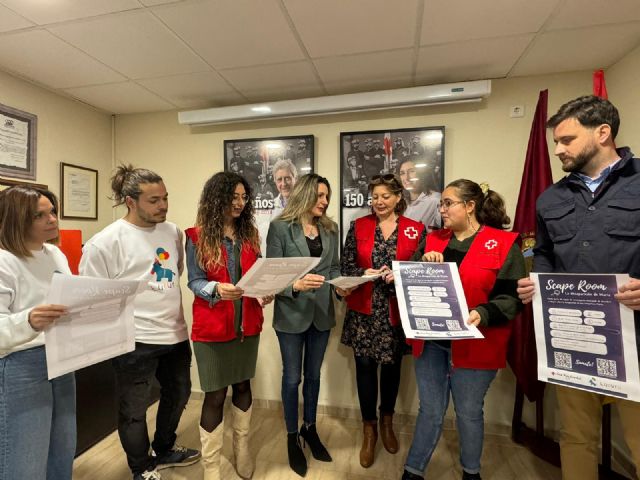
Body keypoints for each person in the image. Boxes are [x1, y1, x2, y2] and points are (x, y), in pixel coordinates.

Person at [517, 95, 640, 480]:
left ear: (603, 133)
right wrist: (538, 285)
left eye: (567, 140)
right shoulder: (551, 197)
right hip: (576, 340)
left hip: (637, 342)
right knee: (576, 438)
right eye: (555, 141)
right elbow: (546, 253)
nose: (558, 150)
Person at [79, 165, 200, 480]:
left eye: (165, 198)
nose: (163, 206)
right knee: (133, 410)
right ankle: (141, 468)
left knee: (180, 393)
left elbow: (176, 275)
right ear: (130, 201)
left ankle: (164, 449)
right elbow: (91, 298)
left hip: (174, 333)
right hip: (134, 340)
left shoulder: (173, 232)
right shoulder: (104, 243)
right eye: (154, 200)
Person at [401, 179, 525, 480]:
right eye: (441, 203)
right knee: (430, 409)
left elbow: (513, 299)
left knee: (469, 412)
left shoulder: (504, 244)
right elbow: (410, 282)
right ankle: (413, 471)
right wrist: (424, 264)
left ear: (470, 206)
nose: (441, 209)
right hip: (432, 344)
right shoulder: (432, 241)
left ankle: (471, 472)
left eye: (448, 203)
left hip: (476, 345)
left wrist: (483, 313)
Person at [185, 172, 273, 480]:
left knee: (243, 385)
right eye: (233, 197)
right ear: (216, 198)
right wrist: (215, 289)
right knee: (214, 394)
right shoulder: (195, 236)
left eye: (243, 197)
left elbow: (258, 274)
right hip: (212, 328)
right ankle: (211, 467)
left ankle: (241, 449)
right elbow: (194, 281)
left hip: (246, 325)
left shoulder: (250, 235)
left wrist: (265, 291)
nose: (239, 203)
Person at [341, 174, 426, 468]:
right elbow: (347, 264)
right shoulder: (359, 226)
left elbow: (420, 271)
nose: (379, 202)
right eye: (375, 196)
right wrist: (361, 273)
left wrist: (399, 275)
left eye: (385, 196)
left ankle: (388, 422)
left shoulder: (416, 230)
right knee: (364, 368)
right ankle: (370, 429)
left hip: (395, 311)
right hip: (364, 310)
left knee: (391, 368)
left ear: (398, 197)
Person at [266, 174, 345, 477]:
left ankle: (309, 428)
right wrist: (294, 286)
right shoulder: (280, 228)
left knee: (313, 376)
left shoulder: (330, 228)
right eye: (321, 196)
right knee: (291, 379)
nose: (325, 202)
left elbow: (334, 267)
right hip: (291, 315)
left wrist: (340, 286)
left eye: (327, 196)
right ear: (305, 194)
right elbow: (273, 275)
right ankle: (290, 436)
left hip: (322, 313)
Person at [0, 187, 75, 479]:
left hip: (60, 357)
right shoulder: (4, 260)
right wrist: (28, 321)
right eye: (39, 215)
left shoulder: (54, 254)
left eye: (53, 212)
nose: (52, 219)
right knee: (24, 458)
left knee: (62, 449)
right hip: (20, 364)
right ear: (16, 219)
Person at [398, 157, 441, 232]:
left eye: (411, 171)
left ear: (422, 174)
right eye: (402, 173)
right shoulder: (400, 202)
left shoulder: (436, 199)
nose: (406, 178)